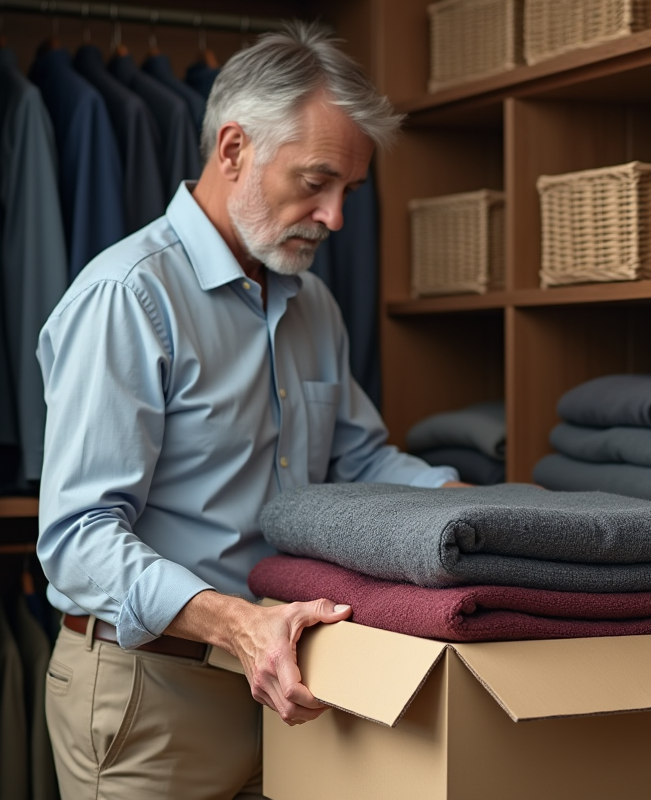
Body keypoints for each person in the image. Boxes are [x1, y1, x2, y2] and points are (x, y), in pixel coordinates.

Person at [36, 23, 463, 799]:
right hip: (152, 694)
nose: (334, 218)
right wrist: (235, 622)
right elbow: (77, 541)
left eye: (349, 193)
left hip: (294, 682)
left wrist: (470, 511)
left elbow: (358, 461)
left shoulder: (313, 303)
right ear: (233, 149)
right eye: (316, 182)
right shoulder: (128, 297)